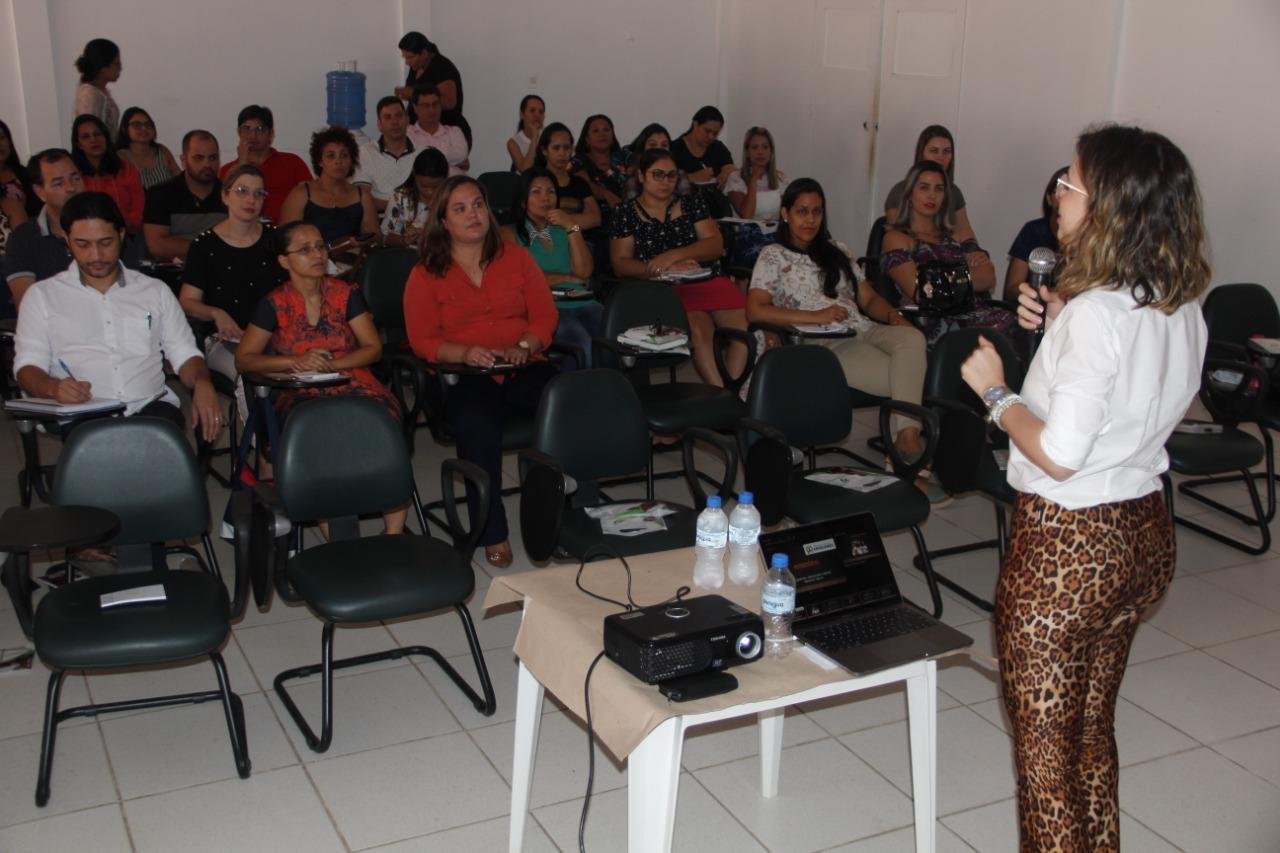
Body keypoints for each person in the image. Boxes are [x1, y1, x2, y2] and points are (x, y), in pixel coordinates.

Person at [958, 124, 1209, 852]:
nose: (1058, 194)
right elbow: (1130, 396)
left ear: (1111, 207)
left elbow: (1063, 453)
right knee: (1090, 736)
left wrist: (996, 392)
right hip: (1142, 532)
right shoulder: (1178, 301)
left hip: (1069, 550)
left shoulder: (1098, 313)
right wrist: (1062, 322)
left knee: (1045, 764)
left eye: (1071, 183)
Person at [403, 176, 558, 568]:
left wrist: (525, 345)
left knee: (567, 404)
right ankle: (491, 530)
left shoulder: (516, 257)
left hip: (522, 365)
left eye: (478, 205)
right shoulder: (425, 273)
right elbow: (422, 340)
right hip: (463, 376)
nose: (473, 214)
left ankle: (559, 516)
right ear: (443, 221)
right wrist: (465, 352)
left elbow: (545, 316)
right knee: (477, 424)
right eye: (460, 209)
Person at [747, 179, 929, 471]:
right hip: (824, 343)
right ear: (785, 214)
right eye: (802, 211)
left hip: (862, 327)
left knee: (913, 338)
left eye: (817, 212)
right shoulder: (773, 255)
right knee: (905, 375)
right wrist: (817, 316)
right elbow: (755, 309)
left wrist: (893, 316)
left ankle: (904, 439)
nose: (810, 219)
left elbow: (868, 299)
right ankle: (907, 443)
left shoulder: (837, 249)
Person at [235, 221, 405, 533]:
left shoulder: (346, 293)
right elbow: (244, 359)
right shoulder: (274, 303)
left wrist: (334, 364)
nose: (317, 254)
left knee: (383, 418)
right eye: (305, 249)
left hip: (351, 377)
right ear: (284, 261)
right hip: (299, 387)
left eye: (319, 246)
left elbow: (372, 348)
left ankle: (393, 534)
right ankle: (338, 537)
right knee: (314, 432)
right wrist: (295, 361)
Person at [13, 191, 221, 442]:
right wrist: (53, 387)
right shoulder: (43, 296)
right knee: (103, 448)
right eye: (83, 244)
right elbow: (27, 367)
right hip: (84, 411)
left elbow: (184, 353)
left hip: (150, 404)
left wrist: (202, 382)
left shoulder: (154, 291)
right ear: (67, 240)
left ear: (121, 235)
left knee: (161, 445)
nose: (96, 256)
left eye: (105, 242)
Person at [609, 148, 748, 386]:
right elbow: (620, 264)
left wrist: (673, 256)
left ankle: (733, 391)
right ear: (641, 176)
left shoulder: (692, 202)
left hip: (704, 280)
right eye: (657, 174)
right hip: (661, 287)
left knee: (744, 329)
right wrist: (663, 268)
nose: (665, 181)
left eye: (671, 175)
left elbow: (715, 245)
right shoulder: (625, 212)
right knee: (700, 330)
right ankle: (719, 391)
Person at [180, 164, 284, 424]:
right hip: (226, 339)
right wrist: (217, 313)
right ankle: (261, 444)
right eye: (242, 191)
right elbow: (187, 301)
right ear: (225, 196)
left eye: (259, 193)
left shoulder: (276, 240)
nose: (251, 200)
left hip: (275, 335)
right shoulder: (204, 245)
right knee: (252, 376)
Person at [880, 160, 1011, 345]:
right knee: (1003, 335)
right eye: (924, 188)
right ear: (909, 194)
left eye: (939, 189)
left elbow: (989, 278)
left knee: (1022, 326)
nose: (932, 195)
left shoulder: (954, 236)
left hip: (976, 314)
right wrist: (963, 274)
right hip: (937, 322)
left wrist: (939, 278)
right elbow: (921, 292)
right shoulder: (896, 238)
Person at [503, 167, 600, 367]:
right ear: (522, 200)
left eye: (551, 192)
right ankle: (572, 388)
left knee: (615, 337)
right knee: (582, 345)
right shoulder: (509, 234)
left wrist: (572, 227)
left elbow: (584, 272)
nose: (545, 198)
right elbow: (521, 280)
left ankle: (612, 385)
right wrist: (567, 278)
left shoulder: (563, 229)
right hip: (546, 308)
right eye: (536, 192)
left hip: (582, 301)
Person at [279, 126, 379, 254]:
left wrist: (361, 242)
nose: (338, 161)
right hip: (310, 260)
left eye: (344, 155)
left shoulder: (362, 196)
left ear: (351, 161)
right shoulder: (301, 194)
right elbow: (284, 240)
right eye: (331, 156)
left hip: (353, 261)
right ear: (320, 161)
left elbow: (376, 238)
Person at [883, 125, 982, 253]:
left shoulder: (954, 191)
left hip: (951, 258)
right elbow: (898, 237)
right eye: (934, 151)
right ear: (922, 153)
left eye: (946, 151)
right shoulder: (900, 191)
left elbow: (966, 233)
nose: (940, 157)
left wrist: (975, 254)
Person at [217, 105, 312, 224]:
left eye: (260, 129)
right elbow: (226, 207)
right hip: (244, 230)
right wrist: (243, 163)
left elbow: (312, 201)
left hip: (286, 230)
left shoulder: (293, 162)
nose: (253, 135)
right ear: (239, 132)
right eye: (247, 128)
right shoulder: (227, 170)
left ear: (271, 134)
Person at [142, 129, 226, 262]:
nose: (207, 164)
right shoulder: (160, 193)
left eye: (213, 158)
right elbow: (156, 245)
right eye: (199, 158)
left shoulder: (230, 194)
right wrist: (210, 248)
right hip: (174, 271)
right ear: (183, 160)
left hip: (222, 268)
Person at [723, 126, 788, 269]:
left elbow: (787, 214)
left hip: (776, 233)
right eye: (754, 147)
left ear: (771, 151)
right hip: (748, 235)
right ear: (747, 152)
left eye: (765, 147)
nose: (760, 152)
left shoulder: (780, 178)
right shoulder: (736, 178)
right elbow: (746, 215)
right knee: (768, 254)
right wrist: (753, 180)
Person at [1003, 165, 1068, 302]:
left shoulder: (1091, 238)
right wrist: (1039, 295)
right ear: (1049, 199)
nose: (1063, 196)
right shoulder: (1033, 230)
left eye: (1070, 191)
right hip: (1034, 305)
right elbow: (1011, 289)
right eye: (1059, 189)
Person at [71, 114, 144, 234]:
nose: (94, 140)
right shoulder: (73, 175)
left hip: (127, 233)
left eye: (98, 134)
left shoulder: (126, 170)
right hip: (85, 234)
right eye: (86, 137)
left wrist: (126, 226)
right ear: (78, 144)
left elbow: (138, 208)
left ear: (106, 137)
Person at [395, 31, 469, 147]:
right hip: (422, 134)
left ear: (424, 53)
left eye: (410, 57)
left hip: (444, 136)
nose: (407, 62)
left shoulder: (443, 67)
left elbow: (449, 102)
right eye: (405, 57)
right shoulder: (416, 67)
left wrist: (412, 93)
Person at [353, 96, 417, 214]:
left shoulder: (421, 153)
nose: (394, 122)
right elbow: (363, 198)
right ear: (379, 124)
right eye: (387, 117)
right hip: (378, 218)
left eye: (399, 115)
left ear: (407, 120)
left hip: (416, 219)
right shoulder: (365, 153)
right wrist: (400, 207)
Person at [533, 123, 599, 231]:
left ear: (572, 149)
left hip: (579, 237)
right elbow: (537, 219)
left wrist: (568, 223)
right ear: (544, 150)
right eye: (556, 148)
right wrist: (576, 223)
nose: (562, 153)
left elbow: (595, 218)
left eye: (566, 148)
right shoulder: (535, 181)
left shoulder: (579, 183)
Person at [381, 147, 449, 248]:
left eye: (436, 187)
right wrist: (404, 240)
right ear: (414, 174)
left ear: (445, 179)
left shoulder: (451, 200)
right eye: (423, 186)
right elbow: (385, 236)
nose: (430, 192)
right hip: (408, 254)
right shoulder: (400, 198)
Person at [406, 85, 469, 175]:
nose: (432, 110)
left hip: (455, 182)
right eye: (426, 105)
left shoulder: (455, 131)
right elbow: (409, 161)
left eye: (435, 104)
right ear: (415, 108)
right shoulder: (407, 133)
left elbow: (462, 154)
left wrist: (424, 154)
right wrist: (450, 159)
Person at [572, 114, 627, 214]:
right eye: (595, 131)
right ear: (587, 139)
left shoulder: (623, 158)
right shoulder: (578, 161)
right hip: (592, 218)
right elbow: (583, 184)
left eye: (606, 130)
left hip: (627, 216)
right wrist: (606, 194)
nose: (602, 134)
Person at [669, 106, 736, 188]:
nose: (711, 137)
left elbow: (731, 168)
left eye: (715, 133)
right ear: (695, 125)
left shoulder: (718, 147)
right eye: (707, 131)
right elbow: (667, 180)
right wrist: (691, 177)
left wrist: (728, 170)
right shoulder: (675, 149)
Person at [115, 107, 180, 191]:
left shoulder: (162, 150)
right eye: (137, 125)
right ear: (124, 128)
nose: (144, 128)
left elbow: (180, 178)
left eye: (148, 124)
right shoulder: (121, 156)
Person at [624, 123, 691, 198]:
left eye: (664, 145)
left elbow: (687, 202)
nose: (659, 150)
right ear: (643, 149)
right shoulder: (633, 179)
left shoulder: (680, 175)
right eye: (653, 145)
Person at [72, 39, 122, 132]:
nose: (120, 67)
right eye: (116, 63)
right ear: (103, 65)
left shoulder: (101, 91)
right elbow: (89, 131)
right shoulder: (89, 95)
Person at [506, 94, 544, 173]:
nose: (537, 115)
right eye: (532, 111)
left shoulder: (549, 137)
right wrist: (534, 137)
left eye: (541, 112)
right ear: (522, 114)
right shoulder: (513, 142)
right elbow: (525, 170)